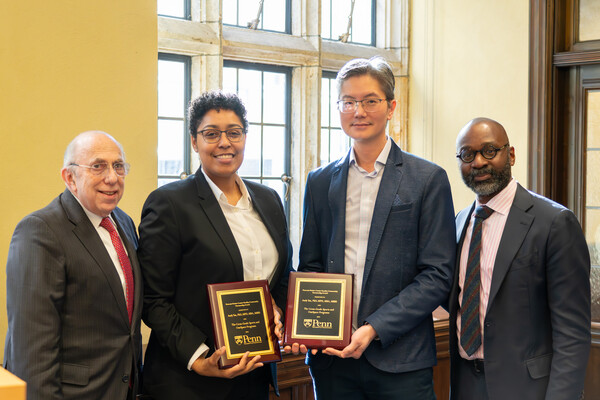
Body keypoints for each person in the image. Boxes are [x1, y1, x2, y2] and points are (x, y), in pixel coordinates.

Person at [296, 57, 456, 399]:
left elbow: (438, 275)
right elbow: (310, 265)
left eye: (370, 101)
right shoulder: (320, 181)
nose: (358, 111)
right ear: (338, 107)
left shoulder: (427, 179)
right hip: (332, 361)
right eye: (348, 102)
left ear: (391, 107)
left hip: (401, 362)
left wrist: (373, 328)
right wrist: (311, 328)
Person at [138, 91, 292, 400]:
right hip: (189, 382)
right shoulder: (169, 203)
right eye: (211, 134)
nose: (225, 143)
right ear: (194, 142)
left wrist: (277, 310)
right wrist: (199, 358)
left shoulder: (269, 199)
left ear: (245, 138)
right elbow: (154, 300)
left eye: (234, 133)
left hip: (255, 374)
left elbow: (283, 277)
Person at [450, 117, 591, 400]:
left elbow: (572, 334)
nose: (478, 162)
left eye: (489, 151)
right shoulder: (459, 222)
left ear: (510, 154)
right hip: (465, 383)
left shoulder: (554, 223)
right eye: (468, 154)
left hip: (528, 389)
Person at [4, 131, 142, 399]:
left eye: (119, 166)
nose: (112, 178)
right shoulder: (40, 231)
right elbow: (31, 348)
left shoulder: (123, 223)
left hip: (122, 388)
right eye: (98, 166)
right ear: (70, 178)